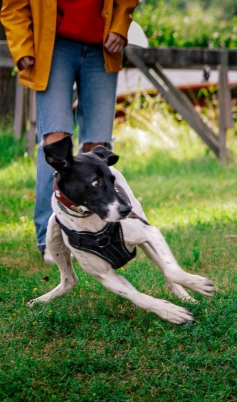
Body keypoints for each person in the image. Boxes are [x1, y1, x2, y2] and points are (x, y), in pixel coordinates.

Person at [1, 0, 139, 263]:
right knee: (55, 146)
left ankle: (97, 236)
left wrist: (120, 27)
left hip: (102, 45)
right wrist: (22, 46)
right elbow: (13, 6)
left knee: (98, 148)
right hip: (52, 45)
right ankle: (50, 239)